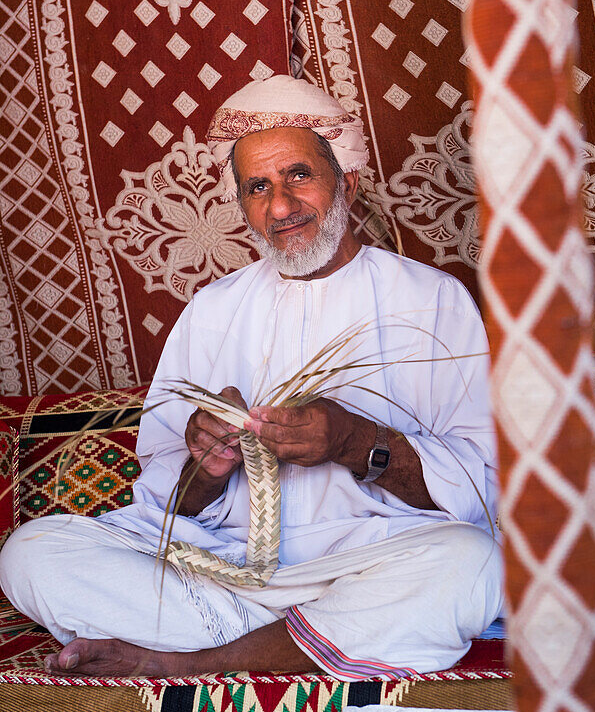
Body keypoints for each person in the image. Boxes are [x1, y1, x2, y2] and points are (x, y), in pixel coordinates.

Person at [0, 76, 503, 680]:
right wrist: (205, 464)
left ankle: (198, 660)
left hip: (371, 561)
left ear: (348, 181)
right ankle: (311, 646)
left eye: (299, 175)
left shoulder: (433, 301)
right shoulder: (212, 310)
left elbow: (477, 494)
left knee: (470, 564)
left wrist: (354, 443)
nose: (281, 206)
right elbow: (169, 504)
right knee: (30, 555)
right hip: (224, 569)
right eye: (258, 187)